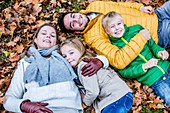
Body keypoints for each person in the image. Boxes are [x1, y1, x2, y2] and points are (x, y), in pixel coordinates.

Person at [58, 1, 170, 70]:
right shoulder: (92, 38)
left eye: (73, 16)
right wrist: (141, 37)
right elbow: (118, 60)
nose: (77, 19)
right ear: (76, 32)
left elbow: (119, 5)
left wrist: (139, 8)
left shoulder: (94, 5)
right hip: (157, 33)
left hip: (156, 14)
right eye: (73, 24)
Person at [3, 23, 85, 113]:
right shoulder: (25, 63)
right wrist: (24, 105)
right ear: (35, 39)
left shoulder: (66, 57)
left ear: (56, 42)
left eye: (52, 35)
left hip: (68, 108)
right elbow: (9, 100)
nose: (48, 36)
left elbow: (88, 63)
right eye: (44, 33)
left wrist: (100, 62)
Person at [101, 11, 170, 106]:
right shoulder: (114, 49)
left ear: (123, 22)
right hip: (154, 79)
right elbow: (124, 72)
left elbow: (152, 45)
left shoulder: (136, 29)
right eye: (112, 26)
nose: (117, 28)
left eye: (119, 24)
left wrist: (160, 52)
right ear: (107, 31)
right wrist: (144, 66)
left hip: (165, 66)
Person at [60, 38, 133, 113]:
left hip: (116, 98)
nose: (68, 58)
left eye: (71, 53)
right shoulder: (86, 63)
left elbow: (93, 92)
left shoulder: (84, 67)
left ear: (80, 49)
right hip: (118, 97)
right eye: (64, 56)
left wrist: (85, 102)